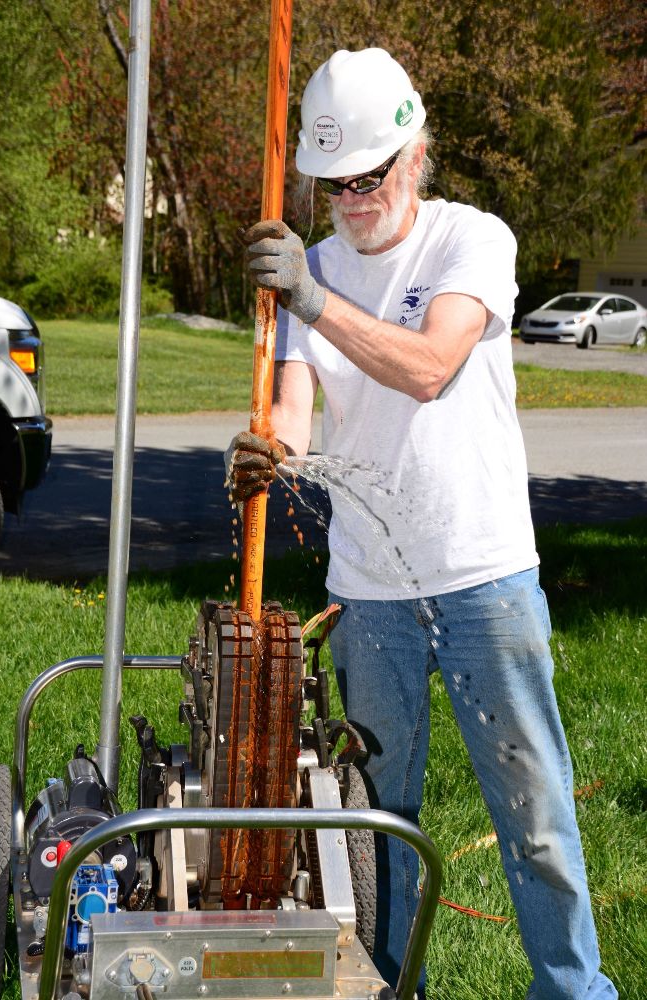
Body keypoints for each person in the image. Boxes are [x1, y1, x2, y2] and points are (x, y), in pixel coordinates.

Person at [228, 48, 616, 1000]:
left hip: (483, 575)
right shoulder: (307, 272)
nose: (354, 200)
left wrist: (319, 302)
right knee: (374, 827)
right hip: (370, 596)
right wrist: (263, 451)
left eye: (370, 176)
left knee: (534, 812)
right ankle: (394, 988)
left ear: (415, 154)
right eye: (335, 184)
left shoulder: (469, 240)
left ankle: (574, 990)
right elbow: (293, 413)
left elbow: (433, 365)